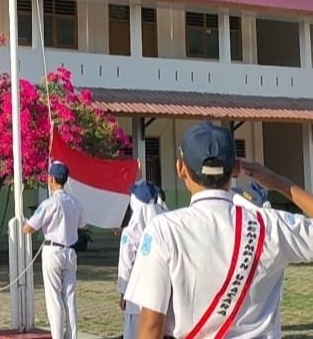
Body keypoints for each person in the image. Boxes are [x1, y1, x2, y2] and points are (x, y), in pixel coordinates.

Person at [125, 120, 313, 339]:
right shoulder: (270, 225)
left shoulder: (165, 230)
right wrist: (279, 183)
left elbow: (151, 326)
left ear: (180, 168)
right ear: (235, 169)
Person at [22, 162, 86, 339]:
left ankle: (57, 336)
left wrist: (24, 223)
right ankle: (72, 336)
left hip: (53, 251)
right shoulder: (75, 202)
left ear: (51, 179)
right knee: (70, 298)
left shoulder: (49, 204)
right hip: (70, 252)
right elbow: (82, 223)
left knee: (54, 299)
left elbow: (29, 228)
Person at [116, 180, 167, 339]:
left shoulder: (130, 233)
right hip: (161, 293)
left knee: (134, 331)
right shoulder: (164, 226)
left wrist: (123, 293)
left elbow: (125, 266)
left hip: (136, 295)